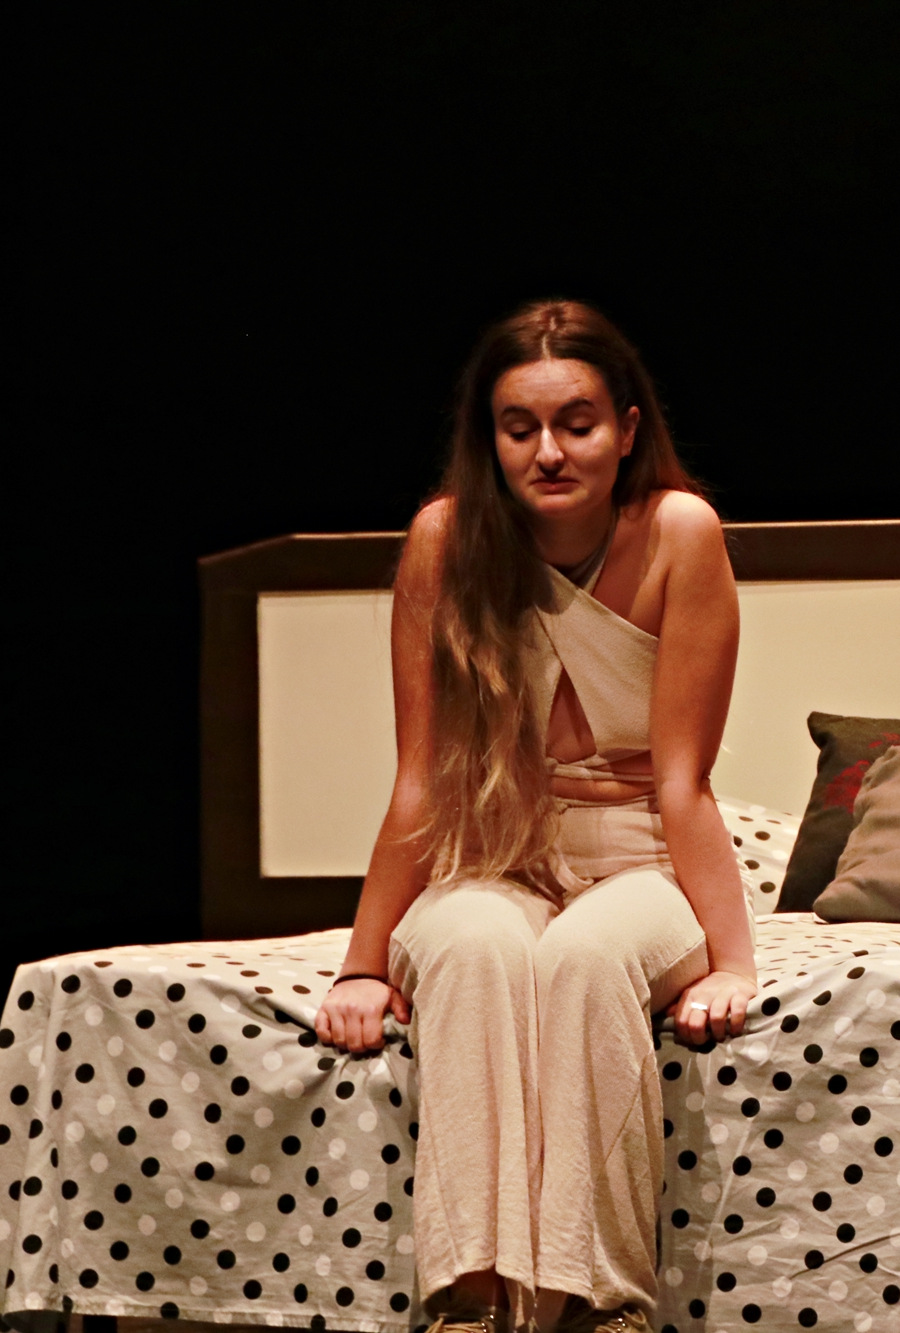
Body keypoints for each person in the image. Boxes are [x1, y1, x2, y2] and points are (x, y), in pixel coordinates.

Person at [313, 299, 753, 1333]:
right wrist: (361, 964)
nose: (549, 451)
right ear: (491, 439)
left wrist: (732, 960)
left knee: (584, 960)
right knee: (472, 950)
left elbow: (682, 781)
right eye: (521, 428)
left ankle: (597, 1303)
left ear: (627, 429)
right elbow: (420, 777)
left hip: (640, 857)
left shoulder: (679, 532)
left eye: (576, 423)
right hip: (494, 853)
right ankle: (468, 1301)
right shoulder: (444, 540)